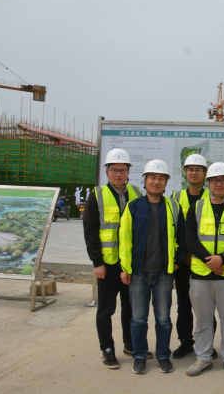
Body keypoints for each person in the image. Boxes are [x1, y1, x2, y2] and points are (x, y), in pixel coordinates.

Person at [119, 159, 184, 375]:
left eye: (161, 178)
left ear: (166, 182)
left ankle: (163, 355)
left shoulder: (173, 206)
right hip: (138, 273)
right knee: (138, 319)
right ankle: (139, 355)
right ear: (145, 180)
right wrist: (125, 268)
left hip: (164, 274)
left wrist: (177, 262)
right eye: (152, 177)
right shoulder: (133, 206)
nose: (156, 182)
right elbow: (124, 239)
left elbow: (181, 236)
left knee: (163, 319)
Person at [184, 162, 224, 378]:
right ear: (207, 183)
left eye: (223, 180)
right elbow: (190, 238)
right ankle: (203, 357)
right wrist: (210, 261)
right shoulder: (196, 208)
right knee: (202, 320)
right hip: (200, 275)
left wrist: (222, 259)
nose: (218, 184)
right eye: (214, 180)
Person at [83, 148, 145, 369]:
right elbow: (90, 231)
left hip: (131, 264)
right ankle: (107, 350)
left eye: (122, 170)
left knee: (131, 308)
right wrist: (97, 262)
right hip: (108, 265)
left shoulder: (136, 192)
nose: (118, 174)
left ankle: (130, 344)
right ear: (107, 171)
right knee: (106, 310)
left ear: (129, 172)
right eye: (114, 170)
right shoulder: (97, 195)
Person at [170, 154, 212, 359]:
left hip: (205, 261)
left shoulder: (212, 196)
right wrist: (182, 256)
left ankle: (208, 344)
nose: (194, 173)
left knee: (206, 307)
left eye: (198, 169)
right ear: (184, 173)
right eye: (190, 169)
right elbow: (173, 229)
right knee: (184, 305)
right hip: (183, 262)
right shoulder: (176, 197)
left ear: (205, 174)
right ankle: (186, 342)